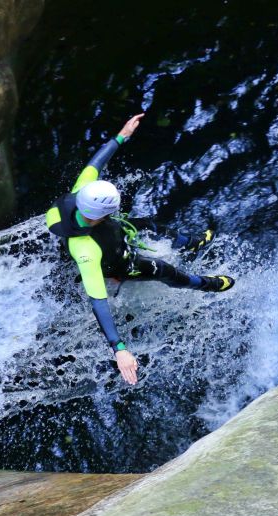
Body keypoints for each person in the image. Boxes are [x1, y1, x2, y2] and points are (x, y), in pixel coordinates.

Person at [45, 113, 235, 385]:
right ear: (100, 214)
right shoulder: (86, 252)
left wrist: (121, 136)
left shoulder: (80, 193)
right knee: (165, 270)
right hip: (117, 262)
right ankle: (206, 284)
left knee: (148, 224)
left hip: (109, 233)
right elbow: (98, 302)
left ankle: (191, 242)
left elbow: (95, 163)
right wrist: (119, 349)